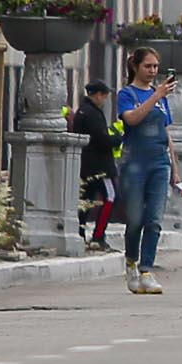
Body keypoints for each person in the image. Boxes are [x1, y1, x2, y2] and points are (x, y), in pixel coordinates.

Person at [115, 47, 177, 295]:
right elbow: (131, 119)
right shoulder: (127, 94)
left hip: (159, 163)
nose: (152, 71)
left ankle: (147, 269)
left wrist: (176, 169)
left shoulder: (160, 97)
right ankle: (130, 260)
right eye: (147, 66)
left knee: (153, 219)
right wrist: (156, 96)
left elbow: (166, 132)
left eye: (155, 67)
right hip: (134, 164)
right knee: (135, 220)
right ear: (135, 67)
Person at [72, 82, 119, 252]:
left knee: (86, 202)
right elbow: (103, 140)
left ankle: (80, 234)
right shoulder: (93, 114)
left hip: (85, 167)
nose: (105, 99)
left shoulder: (82, 112)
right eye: (105, 96)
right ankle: (98, 236)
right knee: (110, 197)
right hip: (100, 167)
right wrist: (118, 137)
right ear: (98, 95)